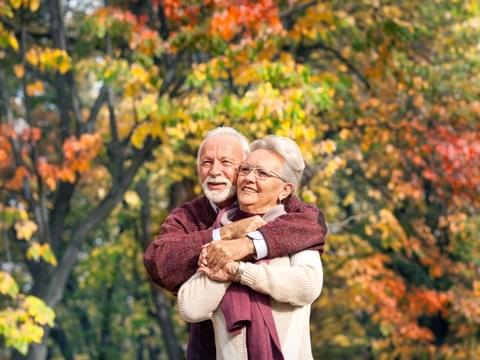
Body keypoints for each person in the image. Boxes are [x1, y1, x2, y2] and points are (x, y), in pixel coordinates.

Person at [143, 127, 327, 359]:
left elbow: (314, 224)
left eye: (226, 162)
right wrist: (223, 235)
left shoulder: (289, 214)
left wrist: (247, 247)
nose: (215, 171)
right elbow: (160, 261)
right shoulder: (188, 215)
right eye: (206, 162)